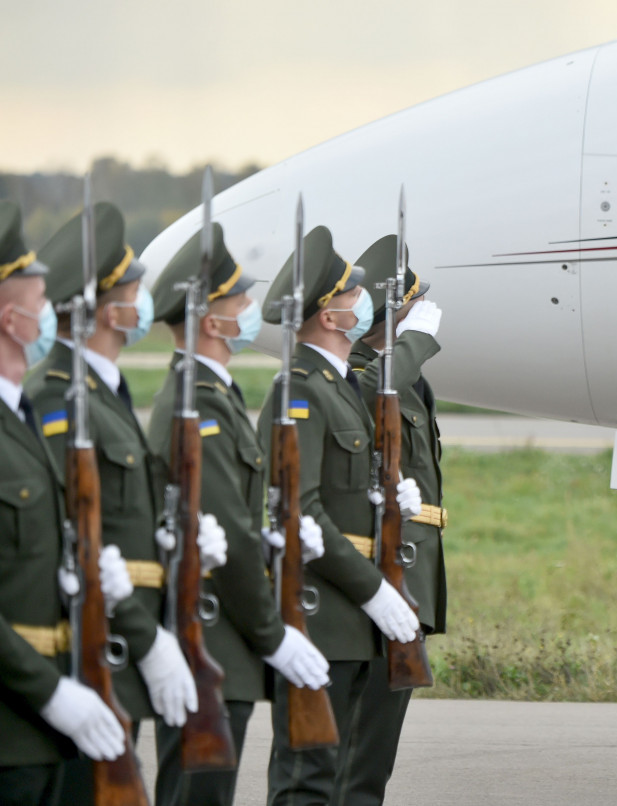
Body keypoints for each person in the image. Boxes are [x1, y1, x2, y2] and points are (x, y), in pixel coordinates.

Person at [25, 202, 225, 802]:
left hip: (128, 630)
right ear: (102, 308)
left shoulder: (104, 390)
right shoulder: (58, 397)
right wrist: (145, 635)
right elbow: (78, 533)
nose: (141, 308)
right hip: (100, 635)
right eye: (134, 292)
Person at [146, 223, 332, 806]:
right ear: (212, 321)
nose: (253, 312)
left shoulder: (214, 395)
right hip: (212, 635)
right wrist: (272, 635)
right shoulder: (196, 401)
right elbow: (226, 527)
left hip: (224, 636)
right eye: (241, 302)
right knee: (197, 795)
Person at [257, 225, 423, 806]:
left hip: (351, 622)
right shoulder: (299, 391)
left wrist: (390, 496)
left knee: (345, 778)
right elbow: (298, 515)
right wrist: (375, 590)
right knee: (308, 783)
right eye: (354, 296)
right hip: (323, 614)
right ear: (330, 316)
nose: (364, 305)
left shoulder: (341, 386)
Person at [0, 200, 133, 805]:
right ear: (11, 320)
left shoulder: (19, 415)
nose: (51, 317)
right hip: (16, 722)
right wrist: (51, 691)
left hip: (42, 724)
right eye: (39, 305)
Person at [335, 235, 446, 805]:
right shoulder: (353, 376)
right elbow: (374, 387)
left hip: (408, 578)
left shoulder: (410, 382)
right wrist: (417, 340)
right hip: (373, 577)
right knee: (357, 753)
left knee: (374, 752)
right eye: (414, 304)